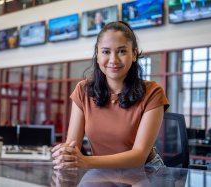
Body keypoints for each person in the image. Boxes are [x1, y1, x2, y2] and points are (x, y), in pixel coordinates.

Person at [51, 21, 169, 170]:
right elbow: (72, 145)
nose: (113, 60)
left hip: (146, 172)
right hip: (102, 171)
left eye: (122, 51)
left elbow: (139, 156)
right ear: (97, 55)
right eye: (106, 52)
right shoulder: (83, 90)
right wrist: (65, 154)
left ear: (134, 54)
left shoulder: (152, 92)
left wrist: (87, 162)